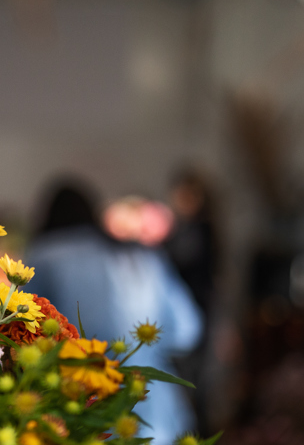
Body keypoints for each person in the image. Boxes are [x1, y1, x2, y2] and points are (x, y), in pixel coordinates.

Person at [24, 181, 202, 444]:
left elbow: (21, 326)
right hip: (154, 412)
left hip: (78, 409)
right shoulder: (144, 256)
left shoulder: (43, 257)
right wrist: (142, 350)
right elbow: (187, 331)